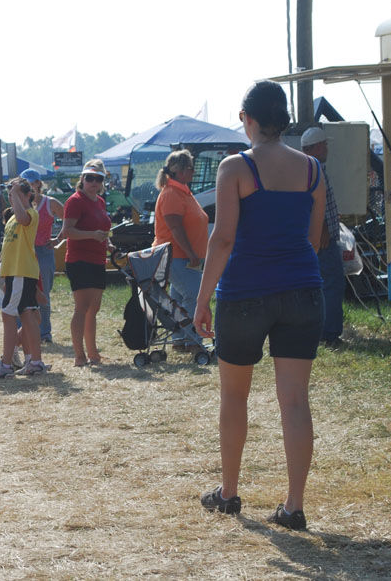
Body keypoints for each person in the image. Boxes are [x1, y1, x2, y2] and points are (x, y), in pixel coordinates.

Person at [194, 80, 325, 531]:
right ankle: (293, 506)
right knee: (294, 400)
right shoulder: (311, 169)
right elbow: (312, 239)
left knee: (234, 395)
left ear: (249, 119)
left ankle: (228, 494)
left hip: (246, 294)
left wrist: (202, 298)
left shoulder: (236, 167)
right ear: (283, 119)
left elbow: (223, 238)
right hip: (303, 292)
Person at [0, 178, 48, 378]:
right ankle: (34, 361)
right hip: (14, 272)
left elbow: (22, 217)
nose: (12, 196)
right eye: (10, 192)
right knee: (27, 316)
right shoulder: (12, 217)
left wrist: (18, 195)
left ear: (29, 195)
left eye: (18, 193)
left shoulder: (30, 213)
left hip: (21, 272)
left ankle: (5, 364)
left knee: (8, 315)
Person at [60, 160, 111, 366]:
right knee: (82, 307)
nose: (93, 182)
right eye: (89, 177)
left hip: (98, 259)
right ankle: (79, 355)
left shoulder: (100, 202)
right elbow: (67, 231)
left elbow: (103, 231)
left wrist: (108, 244)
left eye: (98, 178)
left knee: (94, 308)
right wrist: (93, 235)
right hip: (79, 259)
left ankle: (92, 353)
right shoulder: (75, 201)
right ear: (82, 179)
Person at [152, 149, 208, 336]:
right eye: (192, 168)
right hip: (177, 257)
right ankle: (193, 341)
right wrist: (192, 254)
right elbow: (175, 228)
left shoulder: (182, 192)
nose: (194, 172)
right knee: (195, 295)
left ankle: (180, 338)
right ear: (181, 170)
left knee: (179, 299)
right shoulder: (171, 194)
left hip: (183, 258)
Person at [300, 127, 344, 348]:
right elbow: (314, 202)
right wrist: (325, 226)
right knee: (332, 283)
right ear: (315, 147)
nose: (326, 147)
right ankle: (330, 332)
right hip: (323, 237)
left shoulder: (307, 168)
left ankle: (322, 330)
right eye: (324, 144)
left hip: (318, 235)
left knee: (322, 284)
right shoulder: (313, 168)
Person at [21, 168, 65, 344]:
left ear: (38, 184)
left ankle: (44, 333)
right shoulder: (20, 203)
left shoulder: (50, 203)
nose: (30, 187)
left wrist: (58, 240)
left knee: (43, 293)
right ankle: (23, 331)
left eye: (32, 183)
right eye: (26, 184)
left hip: (43, 251)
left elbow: (68, 218)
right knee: (23, 292)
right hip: (26, 252)